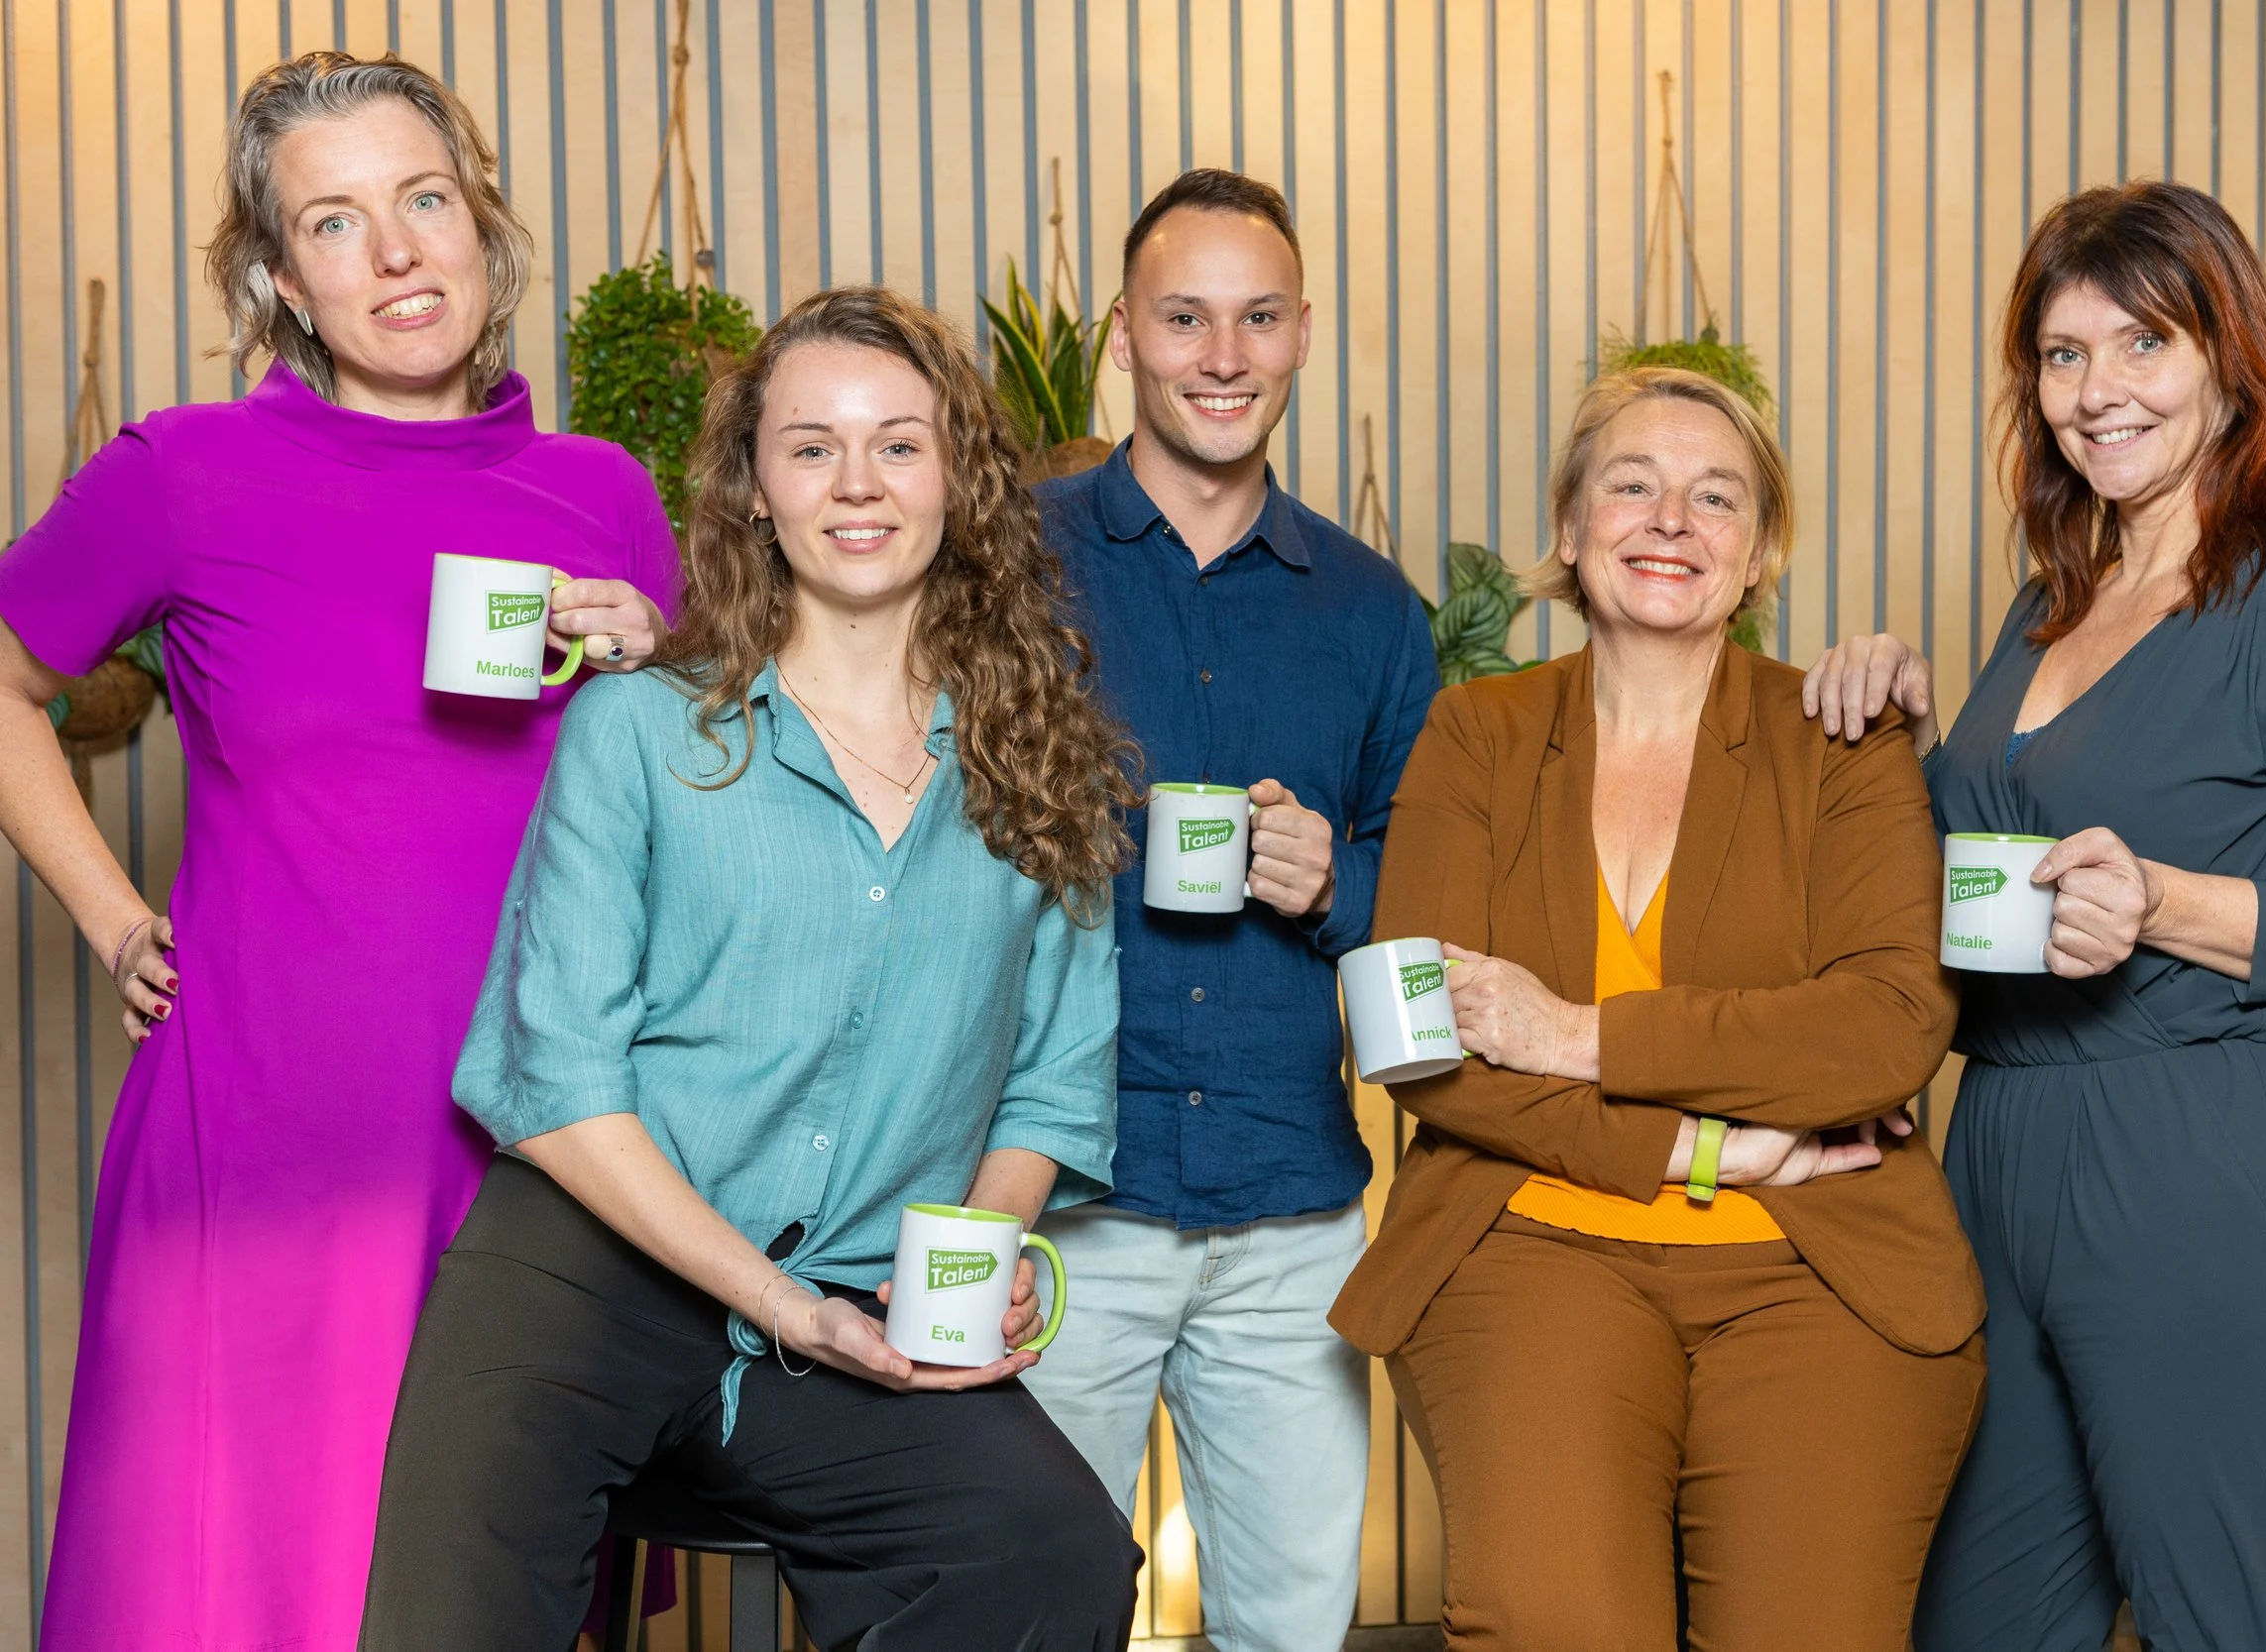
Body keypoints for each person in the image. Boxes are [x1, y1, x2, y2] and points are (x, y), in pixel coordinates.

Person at [0, 54, 675, 1651]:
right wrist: (108, 914)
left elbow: (724, 816)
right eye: (335, 220)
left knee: (480, 1594)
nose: (394, 253)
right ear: (279, 276)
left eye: (423, 199)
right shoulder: (185, 474)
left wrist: (660, 659)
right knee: (236, 1595)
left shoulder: (602, 497)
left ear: (482, 221)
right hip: (258, 1151)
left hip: (534, 1158)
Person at [359, 285, 1142, 1650]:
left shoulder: (1043, 760)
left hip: (858, 1288)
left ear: (958, 477)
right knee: (453, 1614)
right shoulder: (640, 733)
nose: (858, 484)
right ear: (754, 488)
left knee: (1053, 1549)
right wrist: (781, 1306)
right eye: (811, 446)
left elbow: (1053, 1084)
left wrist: (984, 1242)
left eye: (900, 443)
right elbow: (555, 1080)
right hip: (590, 1266)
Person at [1803, 181, 2266, 1651]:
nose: (2095, 392)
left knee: (2229, 1623)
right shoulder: (2049, 602)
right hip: (1999, 1157)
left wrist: (2164, 902)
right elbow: (1974, 879)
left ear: (2234, 362)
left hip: (2205, 1165)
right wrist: (1883, 721)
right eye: (2059, 354)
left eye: (2142, 343)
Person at [1328, 365, 1987, 1651]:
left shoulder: (1841, 744)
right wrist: (1698, 1146)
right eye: (1633, 486)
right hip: (1524, 1243)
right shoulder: (1476, 733)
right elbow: (1423, 1040)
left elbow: (1886, 1026)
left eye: (1716, 497)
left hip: (1824, 1259)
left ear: (1759, 555)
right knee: (1559, 1622)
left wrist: (1567, 1031)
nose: (1671, 520)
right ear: (1570, 533)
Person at [1021, 166, 1439, 1652]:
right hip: (1062, 1199)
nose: (1221, 354)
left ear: (1304, 333)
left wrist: (1339, 883)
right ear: (1123, 330)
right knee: (1026, 1616)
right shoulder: (1006, 560)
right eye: (1184, 316)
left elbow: (1433, 905)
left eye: (1257, 318)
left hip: (1292, 1216)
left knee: (1291, 1629)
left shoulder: (1378, 612)